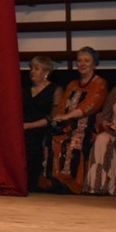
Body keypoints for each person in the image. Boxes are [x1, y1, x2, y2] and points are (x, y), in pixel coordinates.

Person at [38, 46, 109, 194]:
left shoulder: (99, 83)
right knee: (50, 137)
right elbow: (62, 106)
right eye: (79, 61)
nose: (82, 64)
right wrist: (59, 118)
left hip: (87, 124)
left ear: (94, 63)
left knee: (72, 142)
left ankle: (70, 182)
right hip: (68, 124)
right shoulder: (72, 85)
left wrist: (67, 116)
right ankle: (52, 179)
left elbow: (90, 106)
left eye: (86, 60)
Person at [21, 55, 62, 193]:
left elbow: (53, 116)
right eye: (31, 68)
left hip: (44, 127)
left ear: (46, 72)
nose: (32, 71)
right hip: (24, 126)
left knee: (32, 140)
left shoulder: (55, 89)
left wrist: (30, 125)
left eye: (36, 68)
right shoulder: (25, 89)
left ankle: (33, 183)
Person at [83, 82, 116, 196]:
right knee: (102, 139)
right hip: (115, 131)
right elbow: (105, 116)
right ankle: (99, 185)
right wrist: (105, 123)